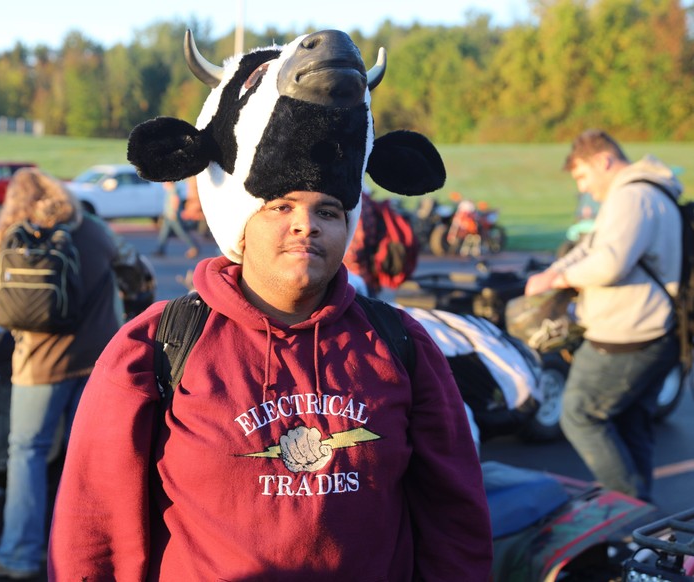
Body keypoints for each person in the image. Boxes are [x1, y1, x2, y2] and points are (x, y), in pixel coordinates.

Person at [49, 29, 491, 580]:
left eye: (329, 211)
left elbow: (455, 519)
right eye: (280, 206)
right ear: (242, 218)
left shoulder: (401, 345)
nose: (306, 223)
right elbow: (94, 532)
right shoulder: (156, 347)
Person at [0, 168, 123, 579]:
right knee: (87, 459)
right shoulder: (92, 228)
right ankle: (94, 554)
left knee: (27, 454)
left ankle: (19, 554)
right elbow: (133, 268)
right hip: (96, 361)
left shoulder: (16, 235)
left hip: (39, 365)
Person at [524, 129, 683, 501]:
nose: (585, 188)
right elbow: (592, 247)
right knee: (631, 424)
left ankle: (629, 517)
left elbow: (609, 264)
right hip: (658, 331)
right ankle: (643, 529)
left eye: (582, 176)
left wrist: (559, 277)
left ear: (603, 161)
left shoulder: (632, 196)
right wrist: (554, 272)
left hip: (629, 334)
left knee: (580, 414)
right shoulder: (645, 191)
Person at [343, 185, 385, 297]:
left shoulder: (357, 203)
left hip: (357, 274)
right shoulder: (369, 203)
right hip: (368, 271)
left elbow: (358, 242)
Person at [154, 180, 200, 258]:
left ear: (169, 183)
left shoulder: (173, 190)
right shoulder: (171, 190)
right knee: (163, 234)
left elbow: (175, 201)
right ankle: (160, 250)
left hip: (173, 217)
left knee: (182, 233)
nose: (163, 185)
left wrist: (174, 213)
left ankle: (194, 247)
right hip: (168, 216)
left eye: (164, 183)